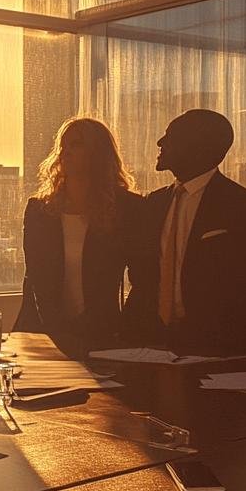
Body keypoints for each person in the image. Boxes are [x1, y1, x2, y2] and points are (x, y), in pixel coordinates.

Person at [124, 109, 246, 356]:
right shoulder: (153, 203)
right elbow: (143, 275)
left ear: (198, 146)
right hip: (147, 340)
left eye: (170, 136)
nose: (160, 143)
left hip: (213, 345)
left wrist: (243, 349)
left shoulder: (239, 204)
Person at [15, 118, 147, 359]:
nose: (65, 152)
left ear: (98, 153)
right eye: (63, 145)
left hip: (101, 335)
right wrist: (57, 331)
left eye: (76, 144)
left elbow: (143, 278)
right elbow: (36, 278)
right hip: (40, 334)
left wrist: (127, 329)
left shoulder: (127, 208)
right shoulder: (40, 210)